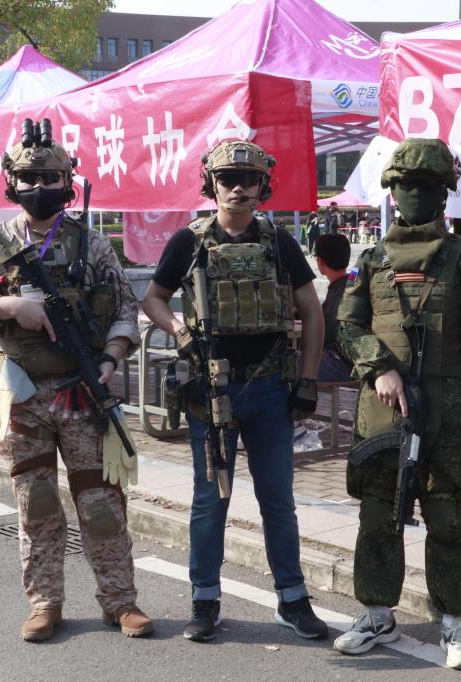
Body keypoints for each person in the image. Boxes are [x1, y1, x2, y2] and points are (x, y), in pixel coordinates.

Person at [0, 120, 152, 642]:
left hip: (82, 392)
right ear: (12, 184)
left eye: (51, 178)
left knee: (101, 505)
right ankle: (44, 604)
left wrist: (111, 357)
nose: (40, 187)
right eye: (29, 179)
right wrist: (7, 306)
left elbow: (125, 309)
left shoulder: (92, 244)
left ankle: (120, 601)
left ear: (68, 182)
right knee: (36, 504)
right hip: (21, 395)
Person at [333, 138, 461, 670]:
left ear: (443, 194)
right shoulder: (371, 259)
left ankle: (456, 621)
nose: (414, 195)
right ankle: (376, 612)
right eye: (405, 186)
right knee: (378, 511)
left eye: (426, 186)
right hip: (383, 406)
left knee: (445, 512)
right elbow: (348, 326)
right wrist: (379, 367)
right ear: (391, 192)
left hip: (448, 405)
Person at [143, 139, 328, 643]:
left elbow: (312, 312)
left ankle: (292, 599)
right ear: (212, 184)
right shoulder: (189, 240)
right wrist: (179, 331)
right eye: (227, 179)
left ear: (262, 186)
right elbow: (153, 298)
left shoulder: (279, 242)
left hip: (270, 389)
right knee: (210, 502)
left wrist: (308, 380)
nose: (238, 188)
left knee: (278, 501)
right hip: (212, 389)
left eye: (248, 179)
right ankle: (204, 601)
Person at [314, 233, 353, 382]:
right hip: (353, 359)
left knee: (292, 364)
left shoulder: (339, 292)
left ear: (320, 261)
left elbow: (326, 333)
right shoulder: (352, 284)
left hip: (343, 363)